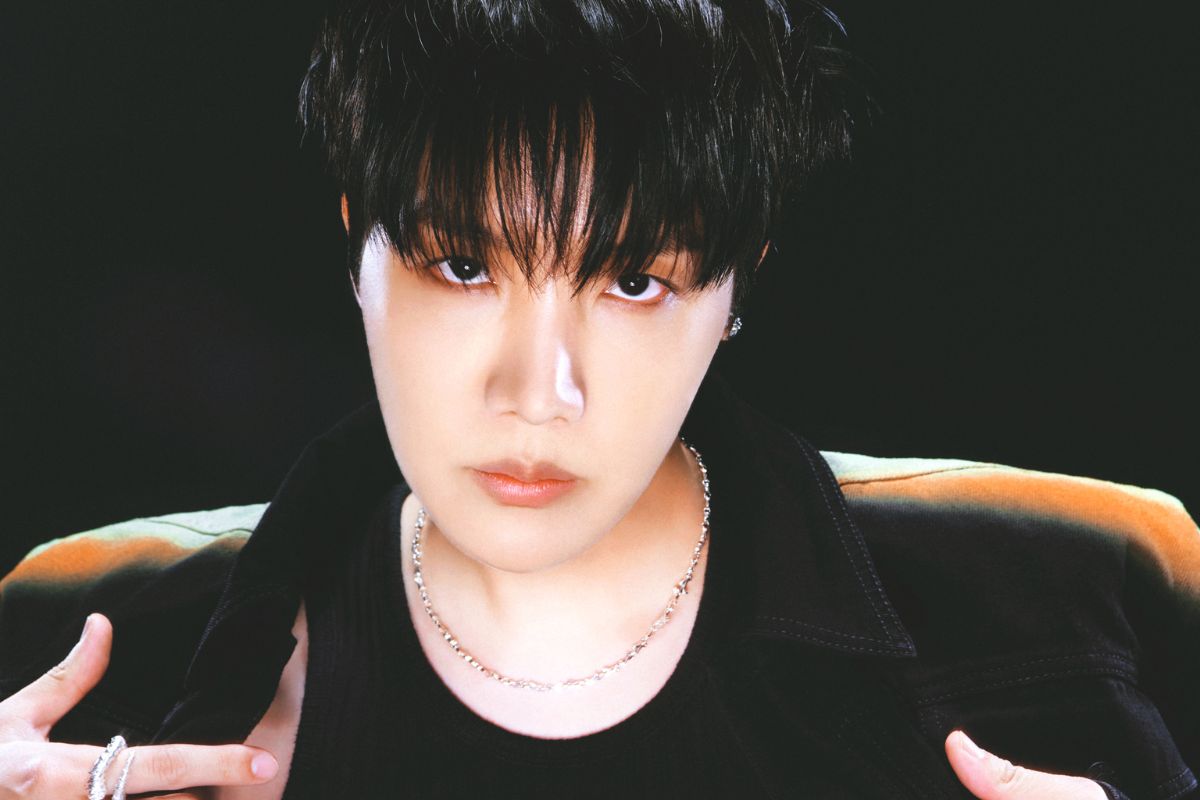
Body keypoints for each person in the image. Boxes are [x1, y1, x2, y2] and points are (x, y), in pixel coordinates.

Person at [0, 1, 1196, 798]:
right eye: (461, 264)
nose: (539, 392)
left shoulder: (1087, 584)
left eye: (632, 281)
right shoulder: (87, 628)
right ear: (355, 247)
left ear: (737, 285)